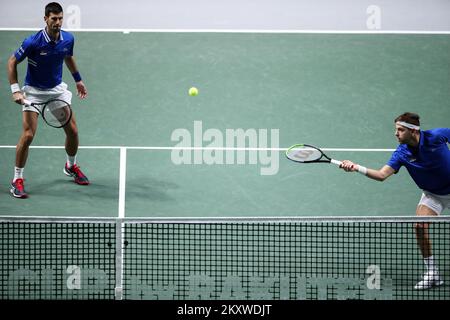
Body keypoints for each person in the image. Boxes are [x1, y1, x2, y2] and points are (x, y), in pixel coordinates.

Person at [339, 112, 450, 290]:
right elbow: (382, 175)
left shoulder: (437, 136)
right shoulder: (401, 153)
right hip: (433, 194)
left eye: (400, 130)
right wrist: (356, 167)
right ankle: (432, 273)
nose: (396, 133)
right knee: (419, 227)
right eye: (396, 129)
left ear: (413, 131)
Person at [7, 2, 89, 199]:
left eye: (60, 18)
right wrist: (16, 91)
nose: (58, 22)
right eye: (54, 19)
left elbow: (67, 56)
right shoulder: (32, 42)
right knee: (28, 135)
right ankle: (17, 179)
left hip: (55, 92)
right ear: (45, 19)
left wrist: (78, 80)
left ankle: (70, 166)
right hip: (33, 93)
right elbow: (12, 62)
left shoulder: (68, 39)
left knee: (73, 131)